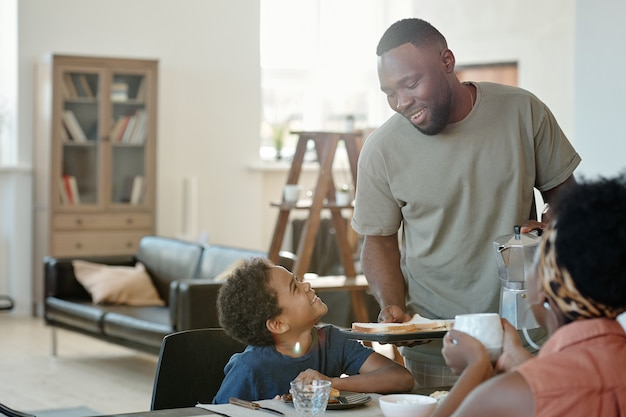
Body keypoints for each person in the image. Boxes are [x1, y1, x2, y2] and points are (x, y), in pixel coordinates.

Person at [351, 17, 581, 388]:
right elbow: (378, 242)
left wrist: (552, 224)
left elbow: (567, 197)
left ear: (447, 61)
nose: (401, 102)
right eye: (389, 92)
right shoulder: (381, 151)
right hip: (438, 347)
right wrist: (391, 305)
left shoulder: (523, 111)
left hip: (530, 338)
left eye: (410, 83)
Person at [431, 174, 626, 417]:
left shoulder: (509, 396)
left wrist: (476, 366)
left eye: (536, 261)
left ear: (548, 284)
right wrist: (518, 359)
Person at [212, 257, 414, 403]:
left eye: (299, 279)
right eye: (295, 287)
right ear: (278, 324)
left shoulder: (332, 341)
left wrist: (331, 384)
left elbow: (401, 378)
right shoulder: (249, 367)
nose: (306, 285)